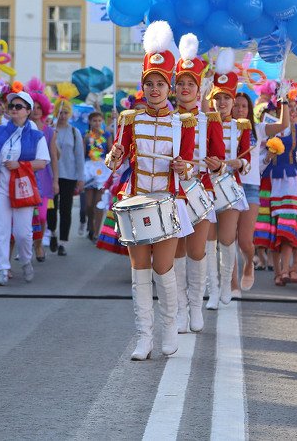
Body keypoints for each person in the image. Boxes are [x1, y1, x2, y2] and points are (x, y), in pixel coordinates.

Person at [105, 21, 196, 360]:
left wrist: (181, 167)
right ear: (143, 86)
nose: (155, 89)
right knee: (139, 270)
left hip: (168, 202)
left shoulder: (182, 122)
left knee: (163, 268)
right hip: (136, 200)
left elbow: (187, 165)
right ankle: (144, 337)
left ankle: (170, 328)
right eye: (150, 83)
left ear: (169, 86)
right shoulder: (129, 119)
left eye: (161, 83)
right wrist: (113, 156)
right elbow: (115, 158)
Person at [172, 34, 225, 332]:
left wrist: (215, 164)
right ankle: (179, 309)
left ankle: (195, 306)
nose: (185, 88)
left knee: (197, 250)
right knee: (176, 250)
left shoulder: (211, 120)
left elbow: (217, 158)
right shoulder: (165, 118)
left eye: (191, 83)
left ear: (199, 87)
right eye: (180, 83)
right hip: (171, 192)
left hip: (200, 191)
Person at [0, 91, 51, 285]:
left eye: (18, 107)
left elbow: (43, 162)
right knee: (0, 231)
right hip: (0, 188)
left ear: (28, 111)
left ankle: (26, 261)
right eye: (11, 106)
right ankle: (2, 269)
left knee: (23, 233)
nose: (13, 109)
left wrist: (20, 165)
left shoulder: (37, 135)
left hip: (23, 188)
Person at [253, 88, 297, 286]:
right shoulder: (269, 130)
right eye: (287, 108)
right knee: (274, 228)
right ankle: (279, 272)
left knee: (289, 226)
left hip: (292, 182)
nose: (291, 111)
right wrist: (268, 158)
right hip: (271, 182)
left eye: (294, 108)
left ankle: (291, 268)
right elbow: (259, 163)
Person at [208, 50, 251, 303]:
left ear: (234, 101)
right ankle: (212, 289)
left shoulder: (241, 126)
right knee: (207, 242)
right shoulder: (200, 123)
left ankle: (226, 286)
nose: (222, 103)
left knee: (226, 240)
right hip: (205, 186)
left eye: (227, 98)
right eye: (218, 98)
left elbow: (247, 160)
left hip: (230, 187)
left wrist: (238, 162)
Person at [234, 91, 264, 282]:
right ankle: (231, 282)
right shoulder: (223, 127)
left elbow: (284, 125)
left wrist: (284, 98)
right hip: (227, 187)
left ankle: (249, 262)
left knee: (245, 240)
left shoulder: (258, 129)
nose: (240, 109)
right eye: (236, 105)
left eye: (244, 106)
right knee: (227, 241)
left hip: (250, 187)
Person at [49, 101, 84, 255]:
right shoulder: (51, 131)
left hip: (69, 176)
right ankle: (52, 234)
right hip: (52, 175)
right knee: (51, 208)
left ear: (69, 114)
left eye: (65, 112)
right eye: (60, 112)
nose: (62, 116)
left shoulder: (75, 132)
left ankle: (63, 241)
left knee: (65, 209)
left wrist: (80, 178)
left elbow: (79, 157)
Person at [29, 89, 58, 261]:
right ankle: (26, 246)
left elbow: (54, 157)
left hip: (45, 177)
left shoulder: (49, 132)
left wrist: (55, 180)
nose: (36, 110)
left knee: (41, 216)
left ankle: (38, 245)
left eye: (40, 107)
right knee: (25, 216)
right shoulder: (22, 128)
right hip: (25, 175)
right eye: (33, 107)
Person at [83, 111, 112, 240]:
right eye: (94, 120)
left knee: (98, 203)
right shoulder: (85, 136)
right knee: (88, 204)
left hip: (102, 170)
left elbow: (111, 151)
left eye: (99, 120)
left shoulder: (107, 134)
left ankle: (96, 232)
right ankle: (90, 223)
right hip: (89, 169)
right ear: (90, 122)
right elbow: (83, 153)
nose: (97, 123)